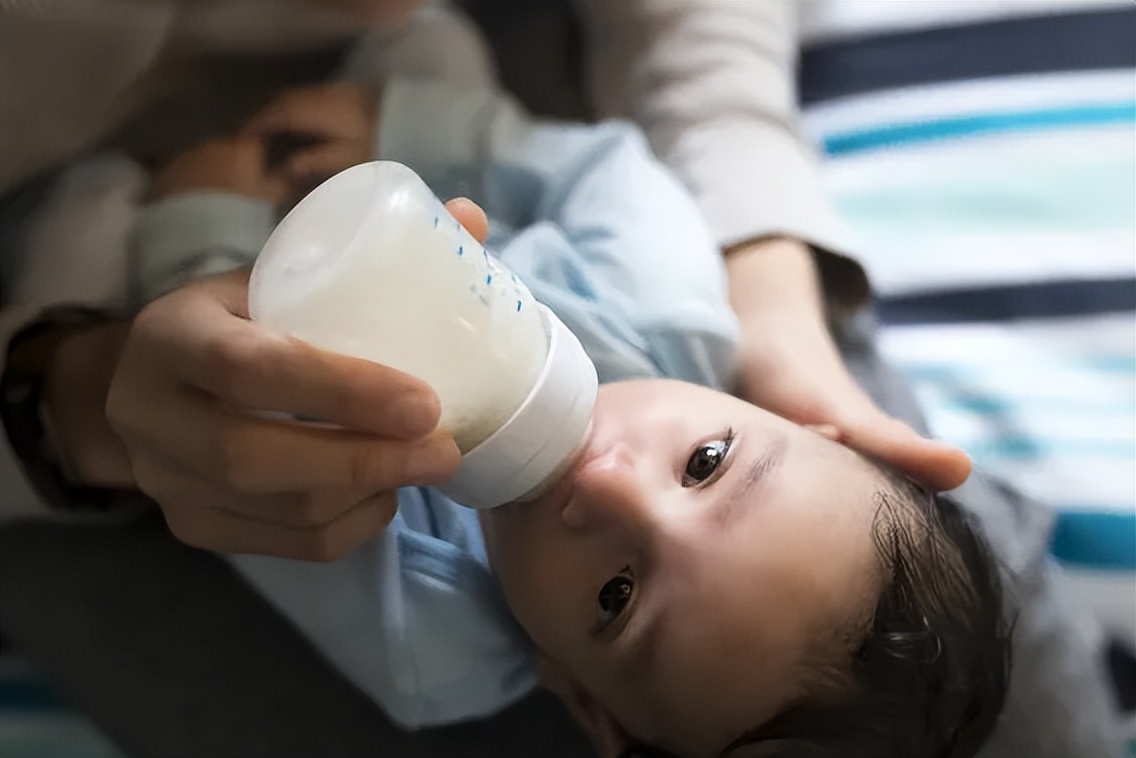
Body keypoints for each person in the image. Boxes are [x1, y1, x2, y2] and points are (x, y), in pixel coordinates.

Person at [0, 2, 1121, 757]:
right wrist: (408, 124)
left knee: (98, 223)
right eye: (707, 460)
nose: (607, 484)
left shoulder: (418, 631)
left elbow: (230, 420)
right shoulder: (676, 313)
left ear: (579, 694)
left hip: (217, 286)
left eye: (615, 597)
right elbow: (597, 165)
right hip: (408, 161)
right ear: (805, 419)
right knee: (437, 53)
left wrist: (201, 229)